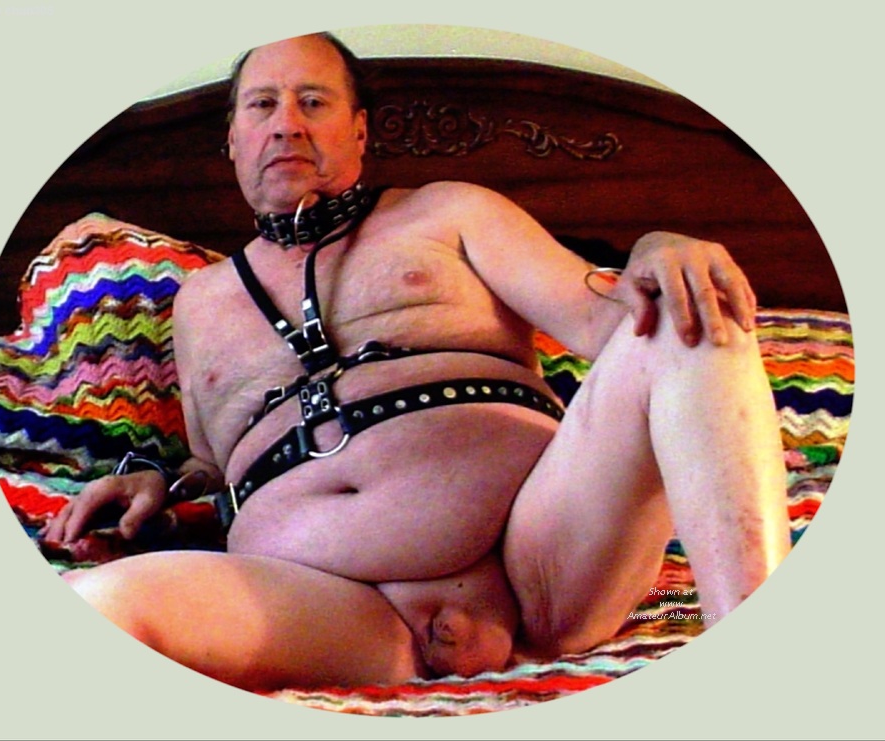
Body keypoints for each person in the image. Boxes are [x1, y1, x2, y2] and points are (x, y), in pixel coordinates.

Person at [42, 32, 791, 689]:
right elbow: (213, 463)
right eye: (262, 105)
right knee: (94, 608)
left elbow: (613, 318)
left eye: (313, 101)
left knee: (692, 315)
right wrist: (154, 481)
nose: (287, 123)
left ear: (360, 130)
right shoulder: (198, 301)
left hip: (541, 559)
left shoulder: (451, 211)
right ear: (233, 139)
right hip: (327, 607)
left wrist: (660, 249)